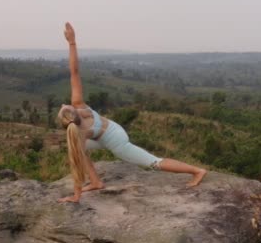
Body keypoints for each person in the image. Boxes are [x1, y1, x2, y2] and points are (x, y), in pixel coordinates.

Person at [57, 22, 207, 203]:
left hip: (116, 139)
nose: (65, 103)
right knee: (78, 152)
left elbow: (74, 71)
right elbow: (74, 72)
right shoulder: (78, 109)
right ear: (73, 112)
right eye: (65, 107)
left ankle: (197, 171)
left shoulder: (77, 128)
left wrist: (76, 196)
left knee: (153, 163)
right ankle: (96, 182)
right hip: (106, 132)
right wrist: (72, 42)